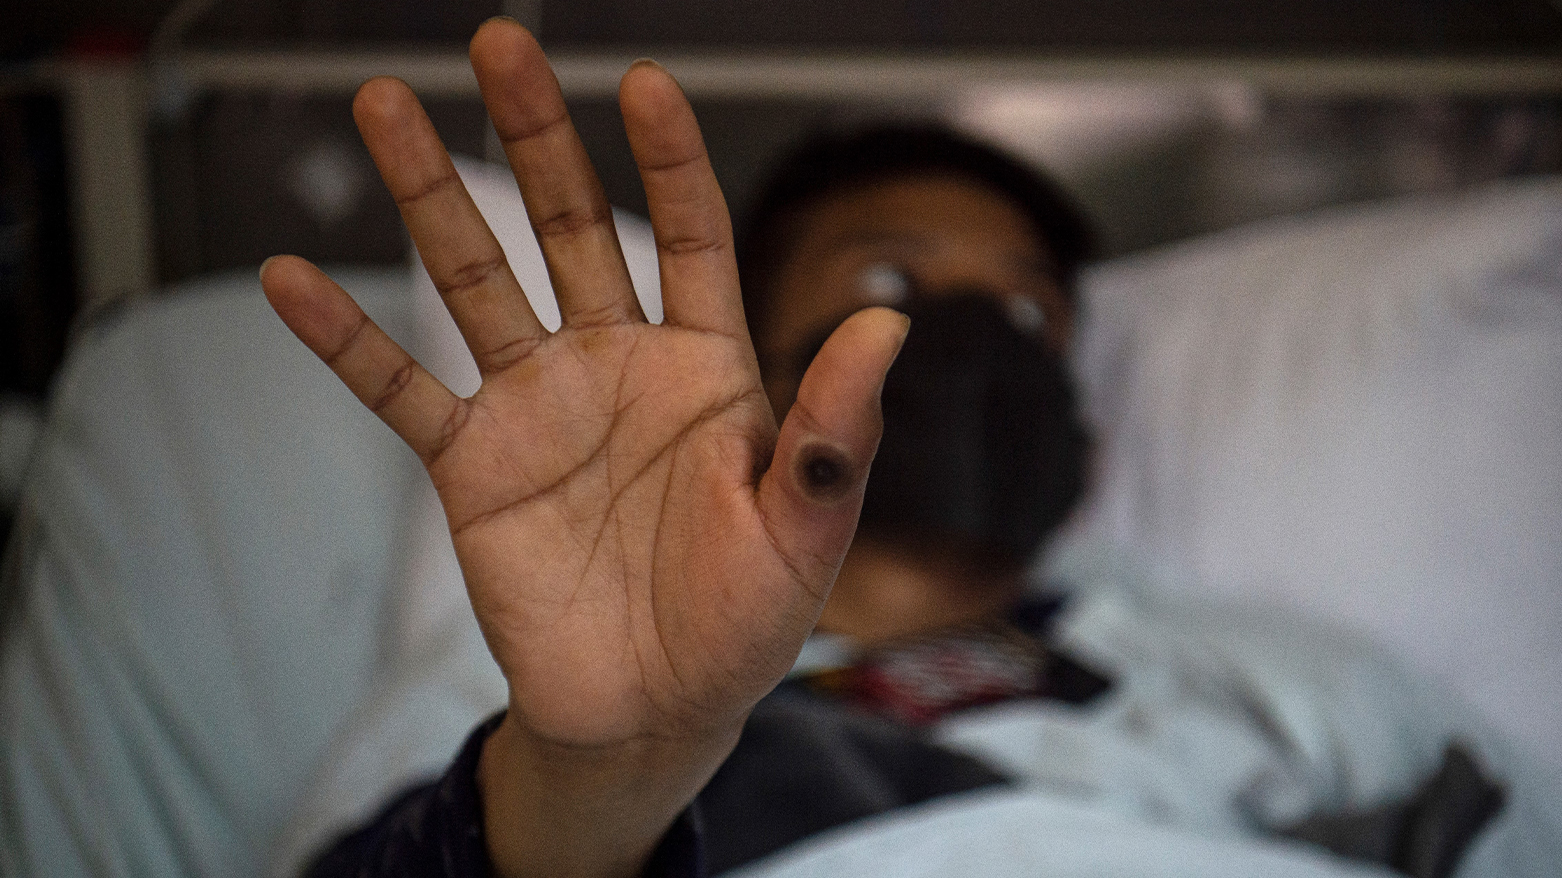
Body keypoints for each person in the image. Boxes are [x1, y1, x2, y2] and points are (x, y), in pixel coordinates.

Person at [265, 18, 1536, 878]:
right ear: (748, 368)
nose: (973, 333)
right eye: (886, 276)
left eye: (1029, 309)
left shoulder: (1271, 676)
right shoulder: (542, 684)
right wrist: (597, 777)